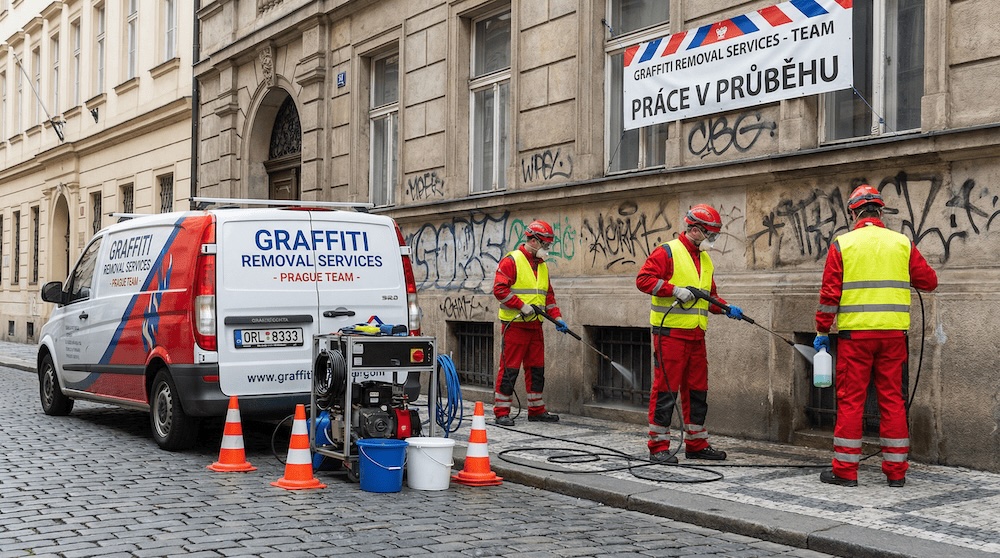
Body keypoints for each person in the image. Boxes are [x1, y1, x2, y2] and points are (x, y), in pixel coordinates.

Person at [814, 184, 938, 488]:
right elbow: (929, 281)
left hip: (856, 338)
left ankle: (845, 471)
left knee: (851, 401)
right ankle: (896, 473)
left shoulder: (843, 245)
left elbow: (829, 296)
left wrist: (821, 331)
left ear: (854, 213)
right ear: (880, 211)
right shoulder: (901, 243)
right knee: (893, 400)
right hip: (894, 336)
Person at [636, 204, 743, 463]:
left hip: (696, 336)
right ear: (694, 230)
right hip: (670, 334)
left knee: (697, 390)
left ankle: (696, 444)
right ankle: (658, 446)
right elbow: (643, 280)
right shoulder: (667, 252)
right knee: (666, 389)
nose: (713, 240)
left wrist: (725, 307)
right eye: (711, 234)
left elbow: (709, 297)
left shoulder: (704, 259)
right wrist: (673, 290)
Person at [492, 219, 568, 426]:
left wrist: (558, 318)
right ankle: (501, 412)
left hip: (535, 326)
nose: (547, 249)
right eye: (545, 244)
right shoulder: (512, 261)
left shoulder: (542, 266)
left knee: (536, 369)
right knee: (510, 369)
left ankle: (536, 410)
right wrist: (520, 306)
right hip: (514, 325)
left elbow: (548, 296)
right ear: (533, 241)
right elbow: (500, 289)